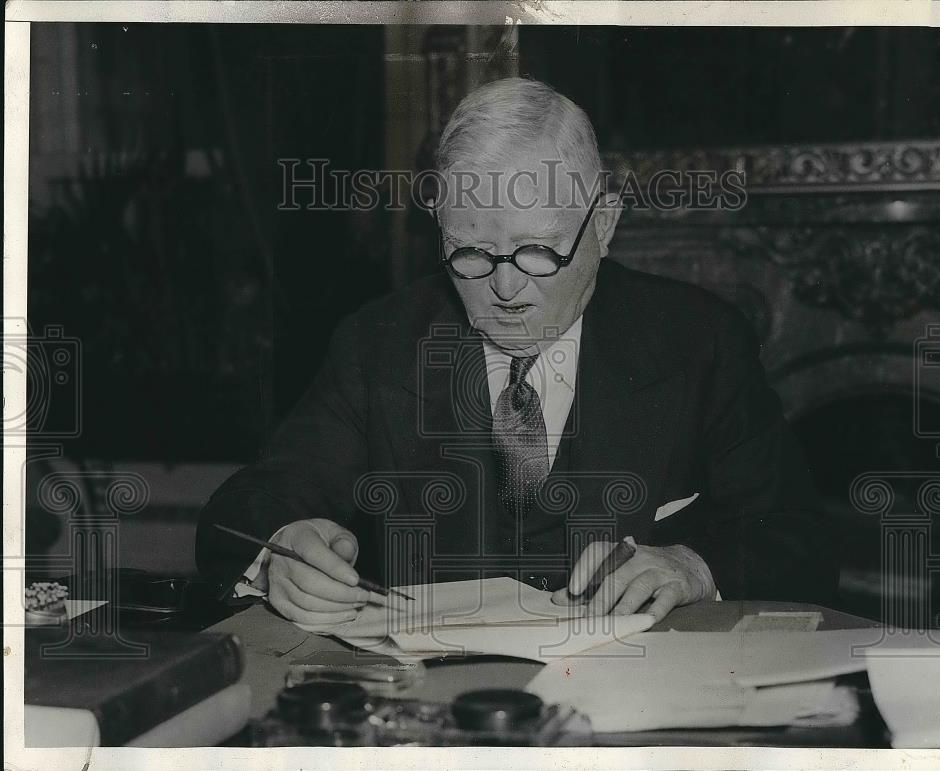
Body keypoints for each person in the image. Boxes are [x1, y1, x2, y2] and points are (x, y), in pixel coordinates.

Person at [196, 77, 837, 628]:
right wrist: (281, 550)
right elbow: (252, 504)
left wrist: (692, 565)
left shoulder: (700, 340)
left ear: (604, 224)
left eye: (538, 250)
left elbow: (800, 537)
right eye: (470, 252)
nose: (504, 288)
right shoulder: (379, 344)